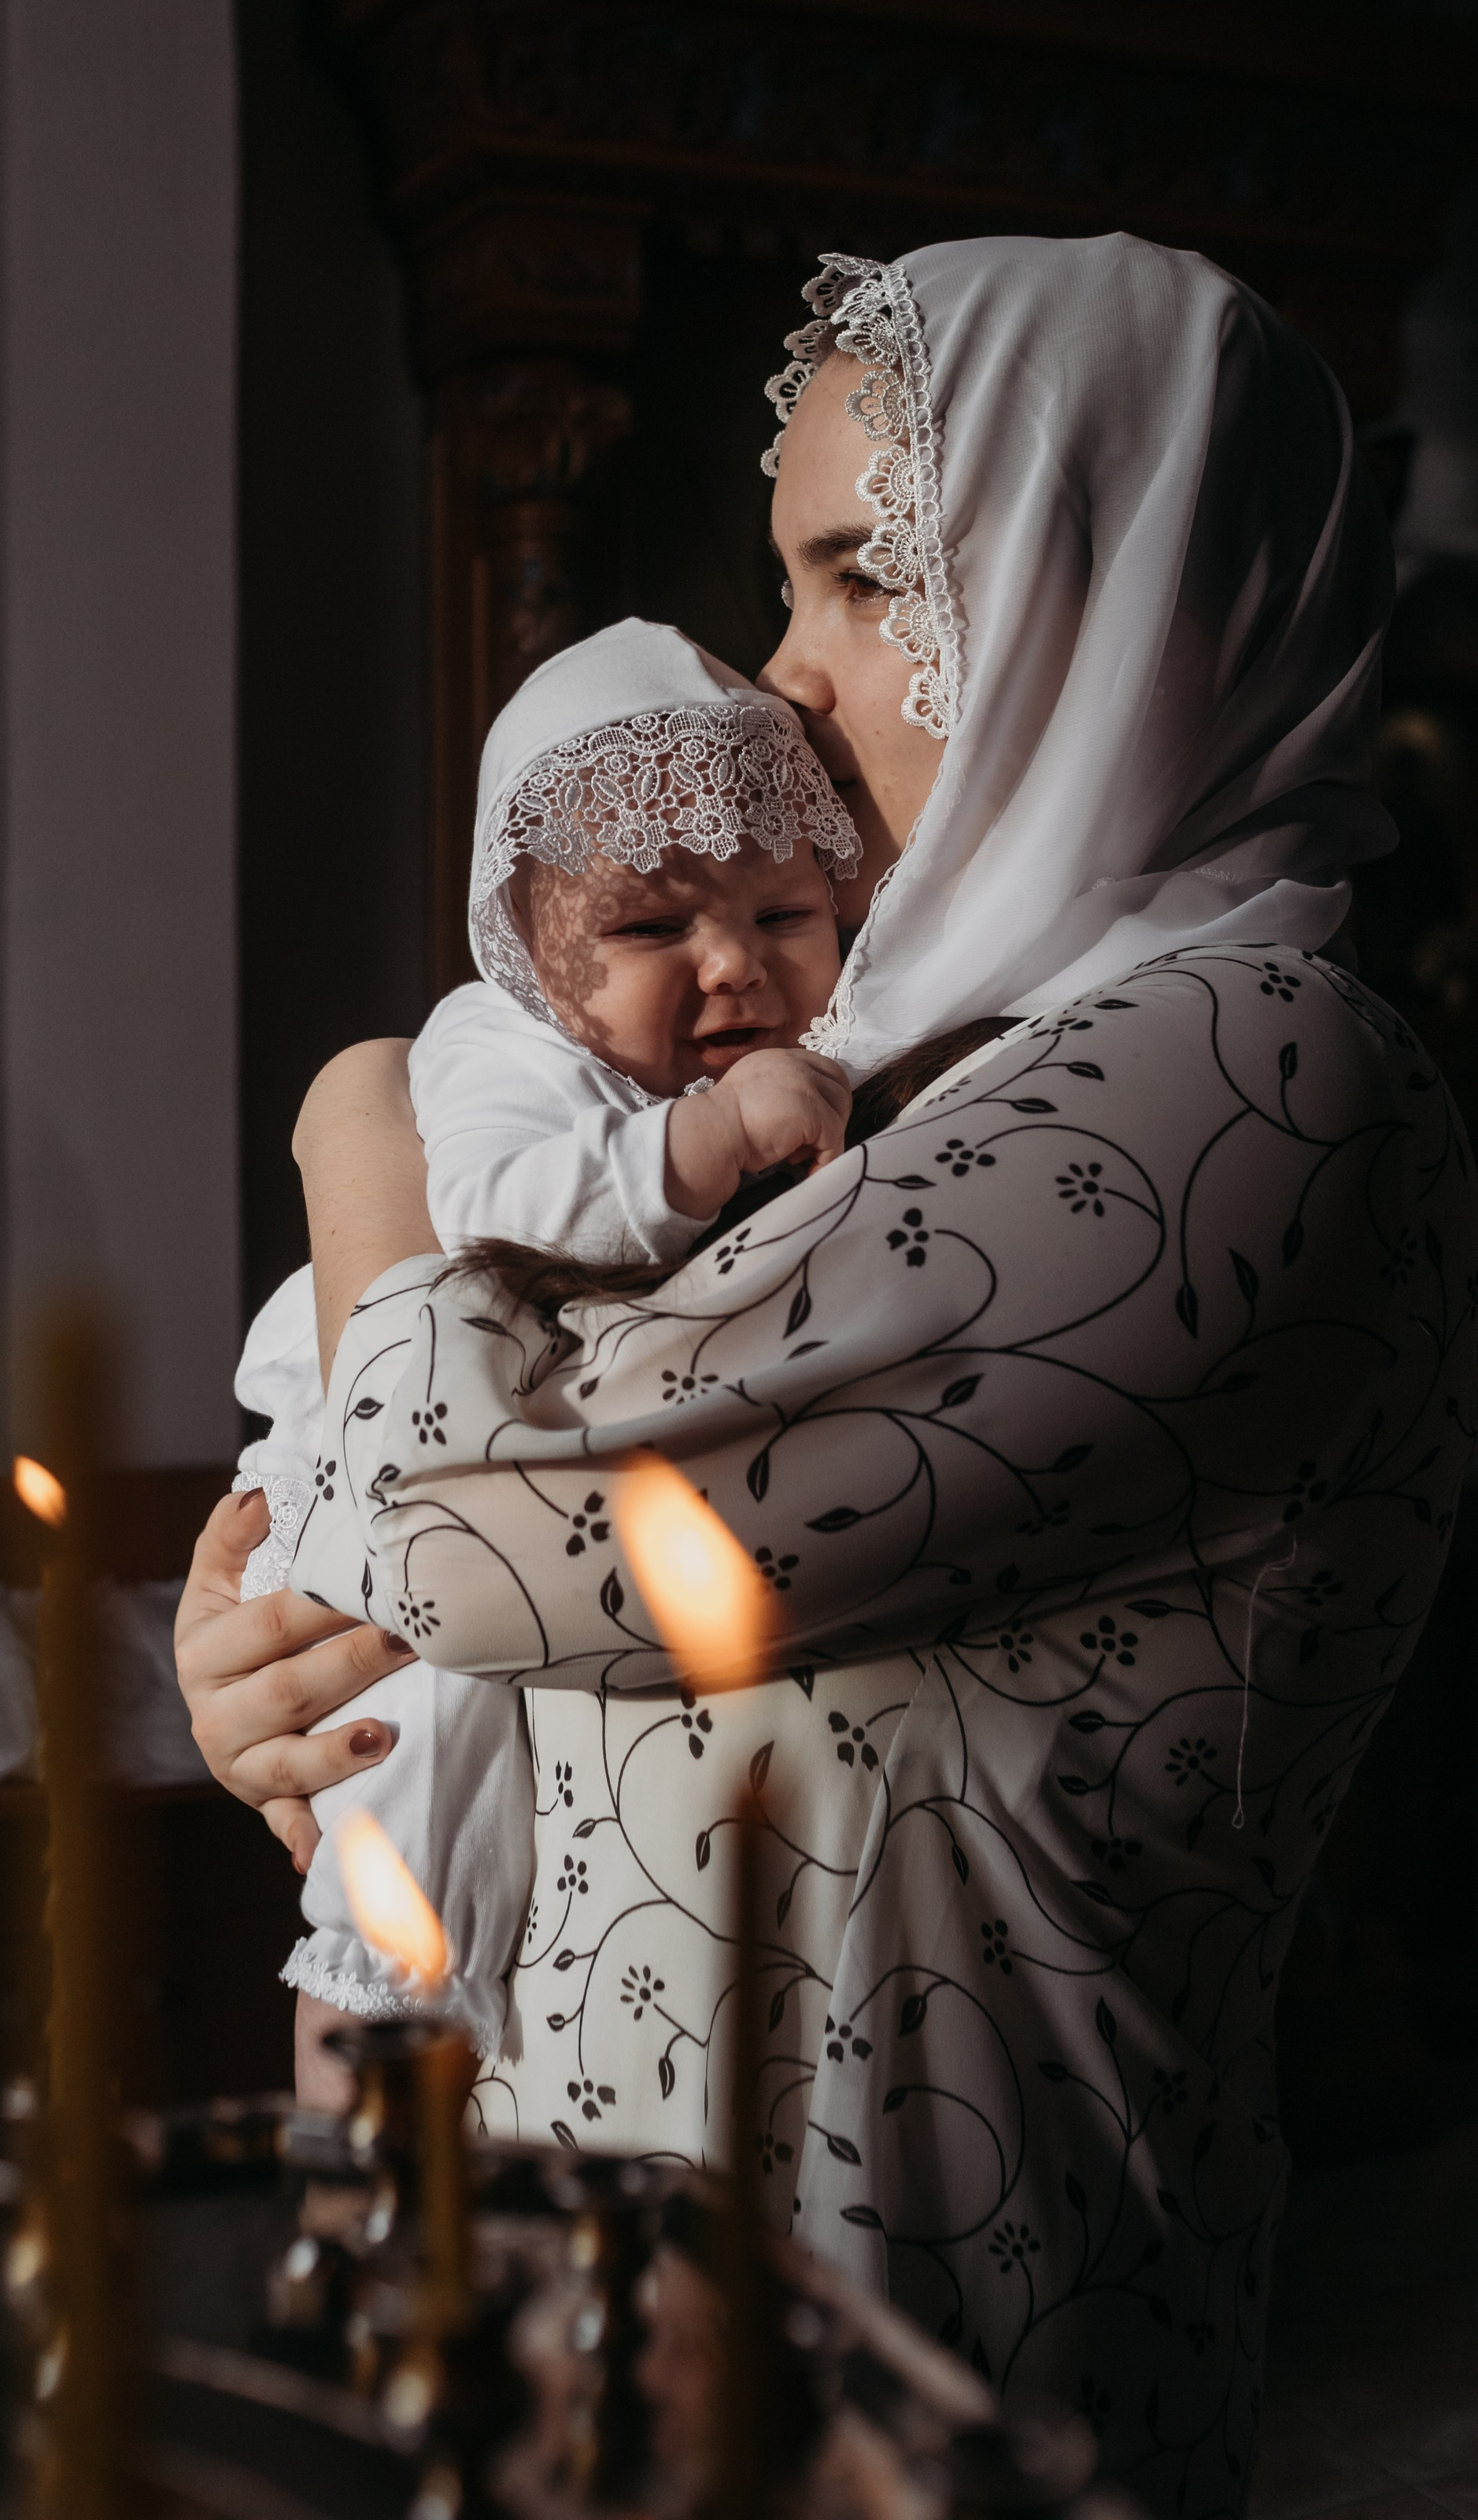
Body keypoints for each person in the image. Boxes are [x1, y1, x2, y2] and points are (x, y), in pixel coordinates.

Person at [177, 232, 1477, 2514]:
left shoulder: (1252, 1075)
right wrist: (287, 1671)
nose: (782, 673)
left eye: (866, 576)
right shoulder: (891, 1064)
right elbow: (435, 1564)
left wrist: (358, 1118)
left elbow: (501, 1510)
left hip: (921, 2377)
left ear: (1116, 603)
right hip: (589, 2309)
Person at [232, 618, 857, 2064]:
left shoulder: (805, 1067)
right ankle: (354, 2102)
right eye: (652, 929)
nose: (733, 970)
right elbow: (504, 1208)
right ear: (526, 946)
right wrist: (702, 1142)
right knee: (413, 1807)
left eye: (786, 916)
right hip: (368, 1471)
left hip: (512, 1482)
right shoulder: (494, 1050)